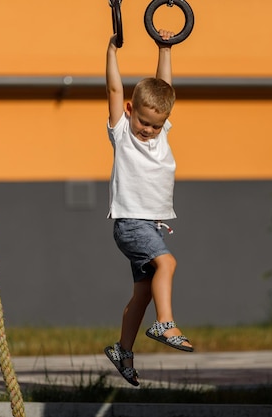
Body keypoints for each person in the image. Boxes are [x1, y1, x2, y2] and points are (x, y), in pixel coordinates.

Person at [103, 29, 194, 387]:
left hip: (150, 226)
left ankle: (123, 351)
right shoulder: (122, 131)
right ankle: (165, 324)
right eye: (144, 122)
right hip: (130, 223)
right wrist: (111, 51)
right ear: (129, 110)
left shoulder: (161, 131)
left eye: (156, 125)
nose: (150, 130)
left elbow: (163, 86)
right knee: (167, 263)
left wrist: (165, 48)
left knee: (143, 291)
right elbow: (112, 89)